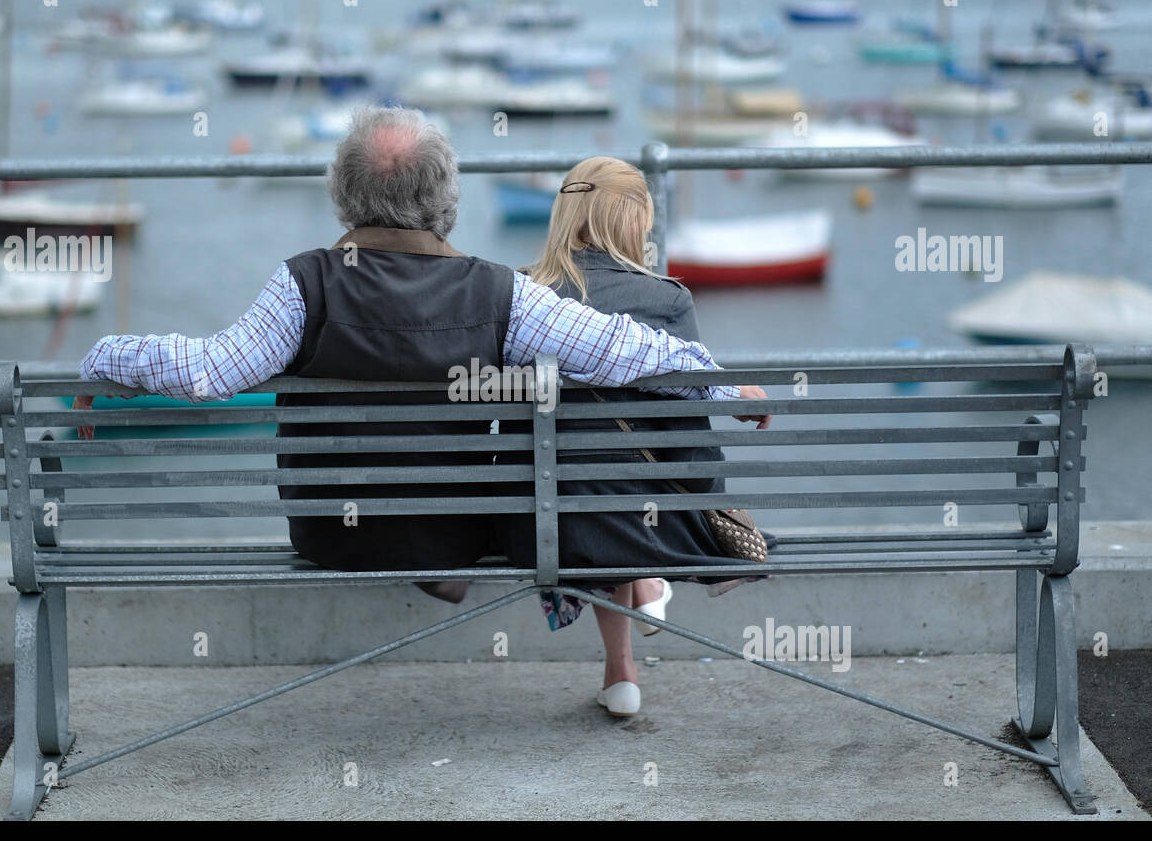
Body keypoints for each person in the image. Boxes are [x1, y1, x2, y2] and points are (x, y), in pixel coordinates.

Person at [72, 107, 750, 597]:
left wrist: (104, 354)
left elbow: (206, 373)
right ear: (444, 194)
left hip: (329, 537)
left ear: (345, 191)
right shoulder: (499, 293)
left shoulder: (303, 284)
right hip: (452, 536)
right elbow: (622, 351)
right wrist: (722, 390)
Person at [495, 155, 772, 717]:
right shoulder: (665, 300)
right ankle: (645, 578)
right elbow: (688, 441)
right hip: (637, 518)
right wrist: (713, 512)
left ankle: (621, 668)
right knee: (625, 489)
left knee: (590, 488)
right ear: (634, 219)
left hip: (540, 523)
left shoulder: (520, 295)